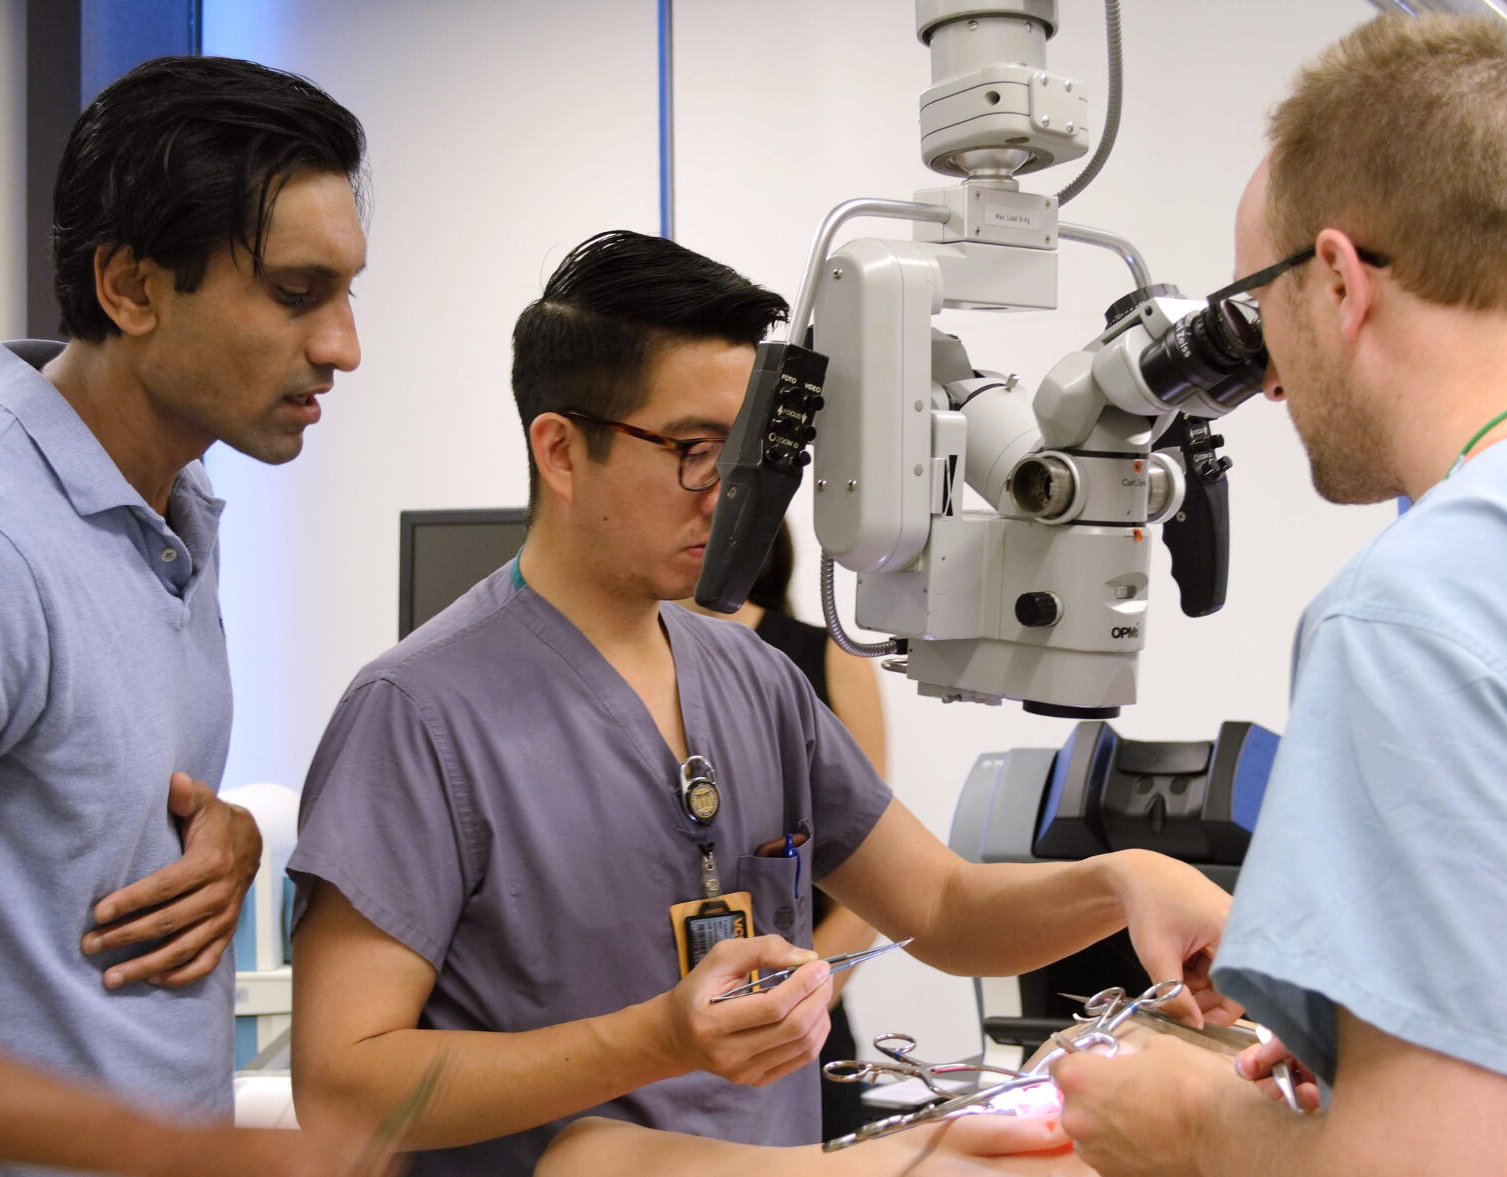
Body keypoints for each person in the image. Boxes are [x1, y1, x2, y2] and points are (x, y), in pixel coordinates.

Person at [286, 229, 1241, 1176]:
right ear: (562, 452)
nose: (735, 493)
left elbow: (945, 909)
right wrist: (660, 1037)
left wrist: (1123, 880)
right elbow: (342, 1088)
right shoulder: (417, 715)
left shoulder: (755, 679)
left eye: (753, 452)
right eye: (697, 451)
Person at [1048, 14, 1507, 1177]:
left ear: (1340, 278)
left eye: (1257, 311)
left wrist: (1195, 1126)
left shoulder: (1422, 609)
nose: (1264, 380)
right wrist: (1385, 1058)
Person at [0, 56, 374, 1176]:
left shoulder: (174, 511)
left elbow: (59, 822)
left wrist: (231, 836)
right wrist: (173, 1155)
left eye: (349, 294)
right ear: (130, 287)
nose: (342, 346)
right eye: (298, 295)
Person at [681, 521, 884, 1142]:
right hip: (654, 1046)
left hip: (799, 1027)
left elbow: (871, 880)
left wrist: (796, 1005)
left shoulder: (821, 658)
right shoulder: (608, 664)